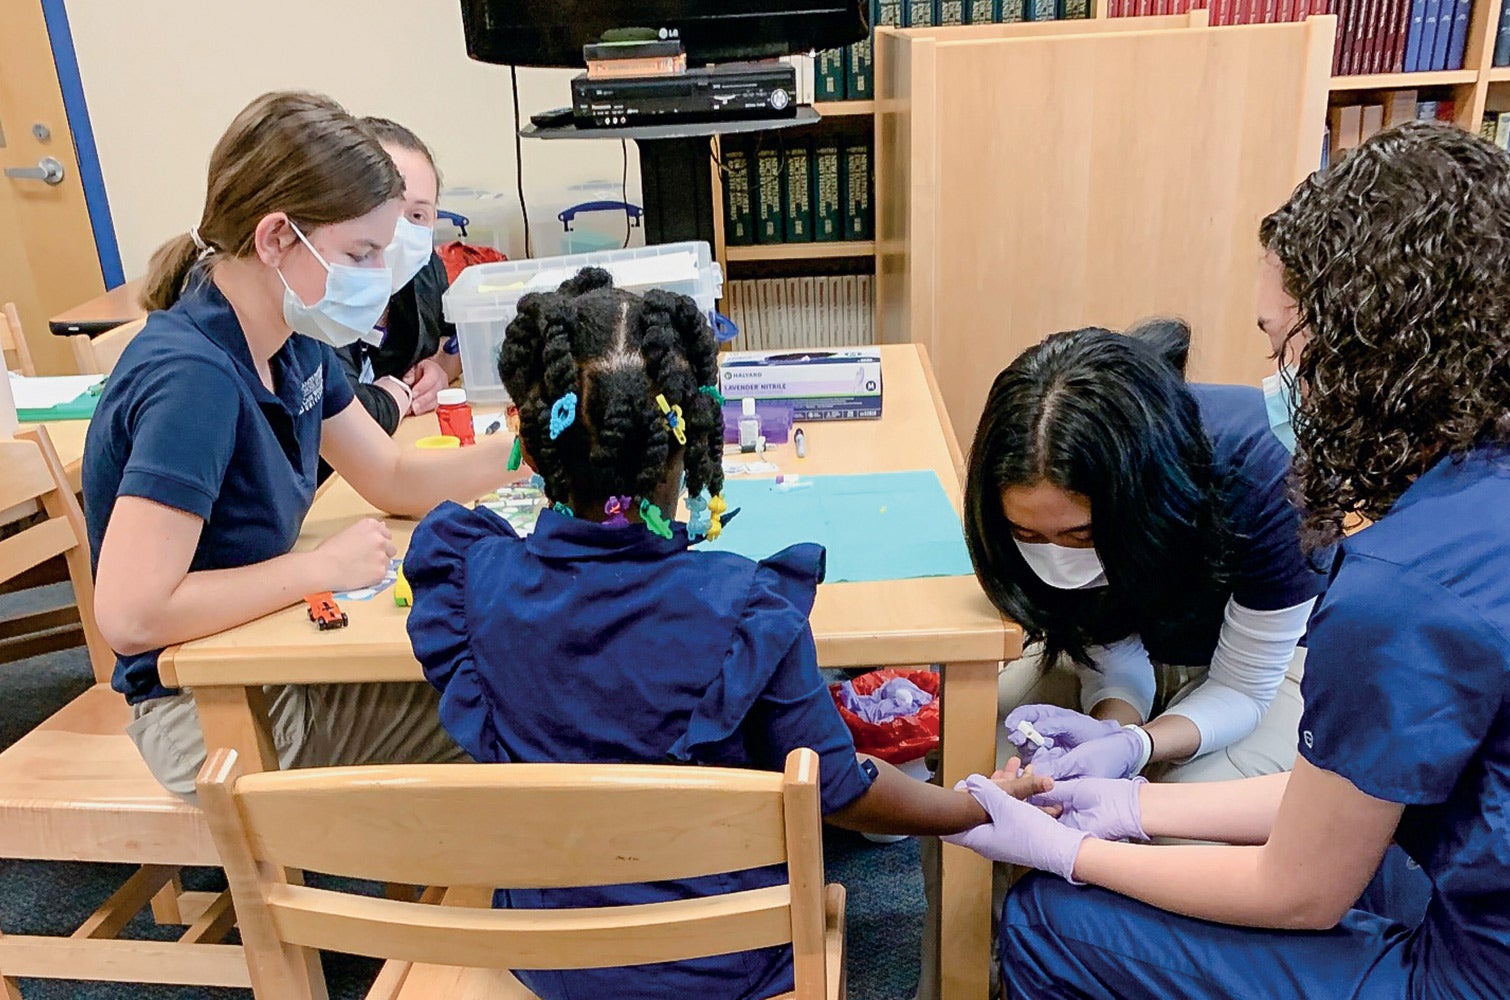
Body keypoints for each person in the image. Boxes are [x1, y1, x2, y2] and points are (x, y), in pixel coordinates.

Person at [948, 120, 1510, 999]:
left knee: (1048, 918)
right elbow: (1357, 802)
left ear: (1364, 351)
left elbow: (1300, 887)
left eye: (1283, 348)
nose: (1278, 382)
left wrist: (1070, 852)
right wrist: (1128, 799)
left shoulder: (1402, 587)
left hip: (1493, 978)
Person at [402, 268, 1042, 1000]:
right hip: (723, 962)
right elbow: (839, 790)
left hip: (550, 961)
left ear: (530, 441)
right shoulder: (741, 607)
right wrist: (970, 804)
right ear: (692, 443)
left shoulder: (469, 578)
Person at [84, 91, 517, 797]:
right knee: (518, 703)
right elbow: (131, 615)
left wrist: (528, 457)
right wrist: (320, 568)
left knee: (510, 681)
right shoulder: (194, 381)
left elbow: (393, 478)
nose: (378, 279)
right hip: (207, 714)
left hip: (261, 662)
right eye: (361, 253)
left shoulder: (291, 340)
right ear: (277, 237)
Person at [966, 319, 1329, 784]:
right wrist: (1109, 727)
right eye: (1029, 535)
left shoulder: (1265, 476)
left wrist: (1137, 747)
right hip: (1146, 646)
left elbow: (1242, 690)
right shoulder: (1028, 504)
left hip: (1271, 663)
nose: (1057, 557)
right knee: (983, 764)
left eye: (1081, 537)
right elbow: (1108, 647)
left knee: (1174, 830)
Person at [336, 117, 461, 434]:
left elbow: (458, 341)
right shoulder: (324, 289)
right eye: (387, 205)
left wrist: (436, 370)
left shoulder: (422, 269)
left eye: (418, 214)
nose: (400, 230)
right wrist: (396, 397)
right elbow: (345, 411)